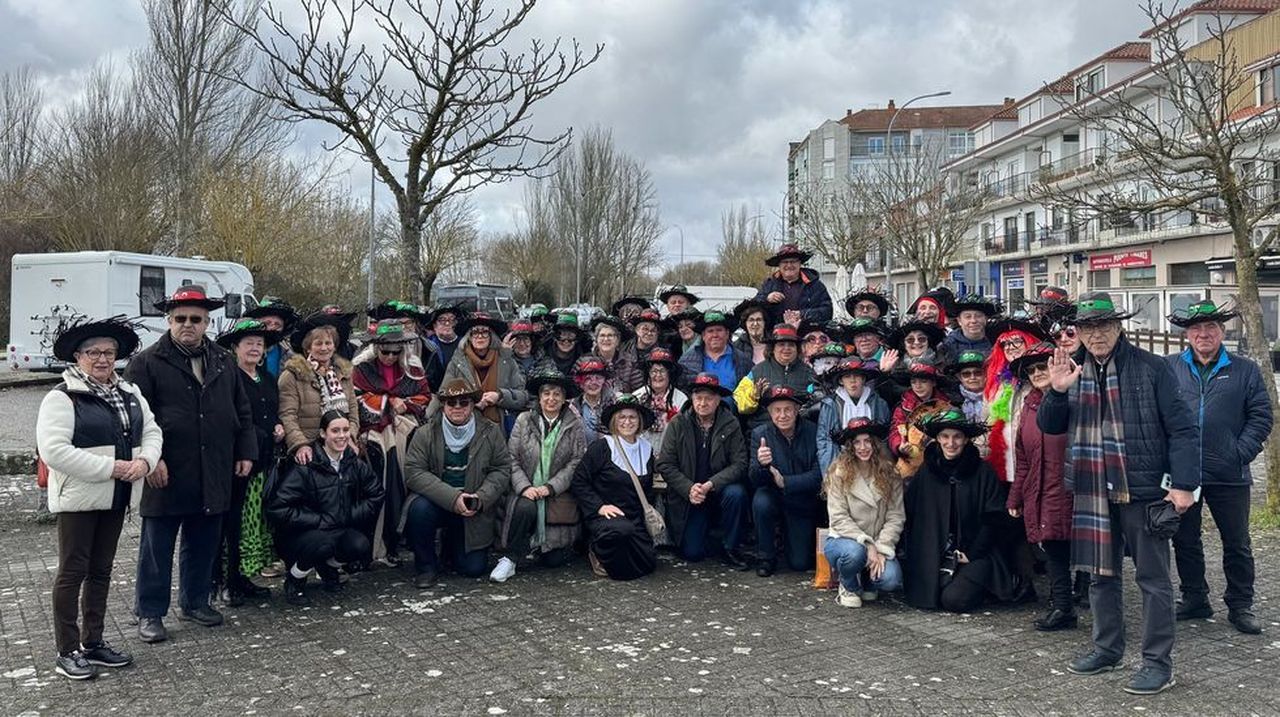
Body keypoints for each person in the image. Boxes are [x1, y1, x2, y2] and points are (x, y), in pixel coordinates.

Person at [1040, 291, 1200, 696]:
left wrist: (1183, 485)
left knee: (1153, 579)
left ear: (1118, 326)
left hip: (1141, 489)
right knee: (1100, 577)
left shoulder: (1153, 368)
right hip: (1092, 489)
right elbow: (1050, 427)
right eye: (1087, 328)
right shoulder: (1073, 373)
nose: (1095, 335)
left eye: (1102, 326)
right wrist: (1056, 391)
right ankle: (1107, 648)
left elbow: (1183, 429)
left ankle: (1157, 664)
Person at [124, 286, 255, 644]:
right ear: (168, 321)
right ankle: (150, 612)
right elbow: (136, 419)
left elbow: (240, 409)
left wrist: (245, 451)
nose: (187, 325)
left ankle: (195, 601)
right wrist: (152, 460)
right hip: (168, 467)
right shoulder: (146, 362)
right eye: (180, 319)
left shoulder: (223, 361)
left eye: (195, 320)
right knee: (157, 545)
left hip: (213, 465)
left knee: (203, 539)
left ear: (207, 322)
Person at [37, 317, 162, 680]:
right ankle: (67, 649)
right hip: (80, 497)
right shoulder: (61, 397)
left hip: (117, 494)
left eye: (109, 352)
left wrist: (145, 461)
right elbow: (55, 451)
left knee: (101, 570)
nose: (103, 359)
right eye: (94, 352)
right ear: (78, 357)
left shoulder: (130, 392)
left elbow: (152, 431)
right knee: (72, 572)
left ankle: (94, 642)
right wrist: (113, 468)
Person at [1166, 300, 1272, 635]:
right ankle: (1195, 598)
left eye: (1210, 328)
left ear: (1222, 332)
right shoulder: (1170, 368)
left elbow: (1261, 416)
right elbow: (1160, 416)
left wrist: (1239, 453)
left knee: (1237, 542)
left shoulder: (1245, 370)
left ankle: (1241, 605)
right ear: (1187, 335)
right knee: (1185, 540)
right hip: (1184, 475)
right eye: (1196, 329)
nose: (1203, 334)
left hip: (1230, 474)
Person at [902, 409, 1018, 613]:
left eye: (957, 437)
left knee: (954, 600)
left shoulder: (983, 472)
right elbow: (912, 515)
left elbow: (994, 519)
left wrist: (973, 553)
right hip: (935, 552)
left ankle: (987, 586)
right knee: (927, 597)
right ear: (937, 438)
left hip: (976, 553)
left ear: (966, 440)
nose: (951, 443)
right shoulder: (927, 471)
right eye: (945, 437)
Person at [265, 411, 384, 606]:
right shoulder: (306, 464)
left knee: (359, 546)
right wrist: (317, 520)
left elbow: (377, 493)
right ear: (323, 433)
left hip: (338, 527)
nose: (342, 436)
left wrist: (350, 515)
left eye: (345, 430)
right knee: (323, 544)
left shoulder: (352, 461)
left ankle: (328, 568)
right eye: (335, 431)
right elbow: (277, 508)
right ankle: (295, 578)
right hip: (304, 534)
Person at [403, 379, 512, 588]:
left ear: (473, 405)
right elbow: (414, 472)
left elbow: (501, 469)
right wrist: (453, 499)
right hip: (439, 501)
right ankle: (426, 567)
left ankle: (451, 548)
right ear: (443, 405)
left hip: (473, 506)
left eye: (464, 402)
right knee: (418, 509)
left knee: (472, 569)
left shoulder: (491, 431)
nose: (458, 407)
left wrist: (481, 498)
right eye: (451, 403)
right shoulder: (425, 432)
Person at [1006, 342, 1077, 631]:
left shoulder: (1077, 399)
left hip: (1073, 486)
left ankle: (1095, 606)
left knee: (1085, 551)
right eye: (1031, 369)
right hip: (1042, 488)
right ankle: (1062, 607)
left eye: (1042, 366)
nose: (1037, 373)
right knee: (1054, 548)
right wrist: (1016, 496)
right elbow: (1022, 458)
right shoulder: (1029, 407)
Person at [492, 369, 588, 582]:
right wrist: (525, 487)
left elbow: (576, 462)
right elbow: (511, 458)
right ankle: (510, 559)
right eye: (546, 393)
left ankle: (542, 545)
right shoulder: (524, 420)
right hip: (526, 488)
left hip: (557, 493)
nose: (551, 399)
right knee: (525, 506)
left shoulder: (574, 424)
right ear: (540, 396)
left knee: (553, 560)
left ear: (564, 398)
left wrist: (551, 487)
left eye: (557, 394)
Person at [213, 319, 284, 606]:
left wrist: (278, 425)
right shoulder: (228, 378)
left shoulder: (267, 378)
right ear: (235, 348)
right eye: (248, 344)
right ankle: (226, 582)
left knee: (253, 524)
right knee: (233, 524)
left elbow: (272, 412)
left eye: (259, 344)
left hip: (264, 462)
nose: (255, 349)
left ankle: (245, 576)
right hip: (238, 463)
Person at [353, 320, 432, 565]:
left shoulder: (413, 369)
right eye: (384, 351)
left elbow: (424, 397)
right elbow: (357, 400)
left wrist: (405, 405)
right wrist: (388, 403)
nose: (389, 356)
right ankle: (373, 545)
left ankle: (396, 540)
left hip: (405, 434)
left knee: (404, 483)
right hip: (372, 438)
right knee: (379, 487)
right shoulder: (361, 368)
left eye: (395, 352)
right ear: (376, 348)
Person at [658, 374, 751, 568]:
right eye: (698, 397)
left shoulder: (730, 422)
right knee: (693, 553)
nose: (703, 403)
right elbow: (666, 464)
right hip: (691, 494)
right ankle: (710, 536)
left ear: (718, 401)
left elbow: (740, 463)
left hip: (718, 489)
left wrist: (711, 484)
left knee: (737, 494)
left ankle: (730, 547)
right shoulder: (678, 423)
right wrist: (689, 488)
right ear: (692, 399)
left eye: (708, 398)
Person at [571, 395, 660, 580]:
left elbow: (648, 488)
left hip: (634, 517)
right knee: (622, 552)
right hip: (605, 516)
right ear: (614, 421)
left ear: (639, 421)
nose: (627, 422)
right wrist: (599, 507)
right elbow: (579, 481)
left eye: (632, 417)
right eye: (622, 417)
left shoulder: (646, 448)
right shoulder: (602, 447)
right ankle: (596, 550)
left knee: (648, 562)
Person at [822, 418, 904, 608]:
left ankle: (868, 579)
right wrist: (867, 544)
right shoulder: (838, 472)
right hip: (844, 541)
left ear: (875, 444)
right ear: (850, 447)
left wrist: (882, 548)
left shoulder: (890, 473)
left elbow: (896, 516)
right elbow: (839, 518)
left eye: (868, 441)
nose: (863, 447)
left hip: (878, 542)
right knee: (854, 553)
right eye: (857, 442)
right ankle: (848, 583)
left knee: (891, 579)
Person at [750, 386, 822, 577]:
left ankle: (789, 543)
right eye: (777, 410)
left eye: (788, 409)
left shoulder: (813, 432)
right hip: (771, 494)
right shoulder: (760, 434)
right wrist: (762, 465)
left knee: (800, 564)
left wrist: (786, 482)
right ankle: (765, 556)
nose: (782, 415)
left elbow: (818, 475)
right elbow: (754, 479)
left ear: (797, 410)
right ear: (770, 412)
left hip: (801, 497)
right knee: (761, 501)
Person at [280, 321, 360, 463]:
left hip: (341, 447)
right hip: (309, 449)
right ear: (308, 348)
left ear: (334, 347)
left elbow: (353, 411)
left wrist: (350, 437)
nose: (324, 348)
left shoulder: (344, 374)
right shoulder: (292, 375)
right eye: (318, 343)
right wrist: (300, 445)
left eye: (328, 343)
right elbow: (287, 415)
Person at [983, 313, 1049, 483]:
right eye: (1005, 343)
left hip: (1036, 470)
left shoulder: (1043, 378)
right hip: (1002, 470)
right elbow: (987, 425)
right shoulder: (996, 384)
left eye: (1017, 341)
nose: (1010, 347)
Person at [440, 312, 528, 434]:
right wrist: (471, 402)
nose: (480, 336)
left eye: (484, 332)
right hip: (465, 428)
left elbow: (523, 397)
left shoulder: (506, 360)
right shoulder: (457, 362)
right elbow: (444, 394)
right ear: (469, 337)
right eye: (475, 332)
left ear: (491, 336)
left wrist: (500, 396)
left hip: (499, 429)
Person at [734, 325, 816, 427]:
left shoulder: (809, 373)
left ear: (797, 349)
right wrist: (754, 395)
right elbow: (741, 406)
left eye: (791, 345)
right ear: (772, 349)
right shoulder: (757, 371)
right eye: (781, 344)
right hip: (763, 433)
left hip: (798, 433)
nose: (786, 348)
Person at [816, 359, 891, 470]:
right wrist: (830, 473)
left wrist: (883, 468)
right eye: (847, 377)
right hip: (842, 465)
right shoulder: (830, 405)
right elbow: (825, 441)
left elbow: (884, 438)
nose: (852, 381)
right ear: (841, 381)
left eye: (856, 376)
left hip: (874, 465)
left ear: (863, 379)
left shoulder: (879, 403)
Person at [754, 243, 833, 327]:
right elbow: (753, 306)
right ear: (779, 265)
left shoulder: (815, 285)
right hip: (776, 336)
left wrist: (802, 314)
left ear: (800, 263)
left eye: (793, 261)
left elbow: (827, 312)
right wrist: (767, 299)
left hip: (807, 335)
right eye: (785, 262)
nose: (789, 265)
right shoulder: (769, 284)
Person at [677, 310, 752, 397]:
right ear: (703, 335)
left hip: (733, 410)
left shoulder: (743, 360)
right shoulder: (686, 361)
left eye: (719, 330)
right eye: (710, 331)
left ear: (727, 334)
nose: (715, 335)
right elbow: (682, 392)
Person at [876, 317, 947, 406]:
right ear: (904, 345)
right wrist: (884, 373)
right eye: (910, 340)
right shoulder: (895, 367)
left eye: (921, 339)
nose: (916, 342)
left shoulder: (942, 364)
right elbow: (886, 399)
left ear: (928, 342)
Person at [630, 348, 688, 456]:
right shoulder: (637, 396)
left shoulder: (681, 399)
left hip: (669, 455)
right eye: (654, 371)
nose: (658, 376)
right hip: (639, 454)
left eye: (662, 371)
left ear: (670, 374)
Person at [245, 296, 299, 376]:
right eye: (267, 323)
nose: (272, 328)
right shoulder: (242, 351)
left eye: (277, 324)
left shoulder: (290, 356)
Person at [570, 355, 616, 440]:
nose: (594, 382)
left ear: (604, 380)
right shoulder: (572, 407)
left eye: (598, 378)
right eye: (588, 378)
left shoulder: (615, 403)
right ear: (580, 382)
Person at [592, 315, 642, 393]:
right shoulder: (586, 360)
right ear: (596, 340)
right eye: (602, 335)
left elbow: (639, 390)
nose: (606, 339)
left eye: (610, 335)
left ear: (618, 340)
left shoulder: (630, 361)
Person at [949, 350, 990, 424]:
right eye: (966, 374)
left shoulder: (997, 397)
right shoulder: (951, 402)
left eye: (978, 373)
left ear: (986, 374)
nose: (972, 377)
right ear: (960, 378)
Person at [732, 298, 772, 365]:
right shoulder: (737, 346)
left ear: (764, 322)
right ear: (745, 323)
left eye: (759, 320)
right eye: (751, 320)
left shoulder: (773, 344)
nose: (755, 324)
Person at [427, 304, 466, 369]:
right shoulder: (428, 346)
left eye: (451, 319)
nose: (447, 323)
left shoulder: (465, 343)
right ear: (434, 326)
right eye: (442, 320)